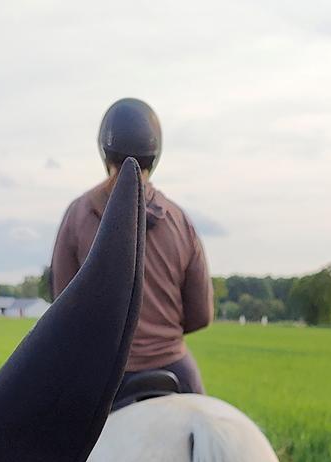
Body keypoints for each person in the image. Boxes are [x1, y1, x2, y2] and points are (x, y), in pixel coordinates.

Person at [51, 98, 212, 396]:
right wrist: (158, 338)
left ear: (104, 151)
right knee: (210, 418)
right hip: (173, 365)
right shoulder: (180, 220)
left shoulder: (78, 214)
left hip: (102, 373)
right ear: (155, 154)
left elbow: (63, 306)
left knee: (49, 423)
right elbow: (201, 314)